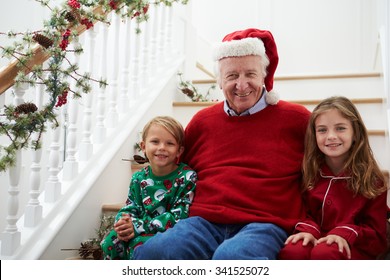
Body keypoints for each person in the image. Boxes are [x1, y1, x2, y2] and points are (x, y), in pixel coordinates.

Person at [132, 28, 311, 260]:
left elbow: (326, 172)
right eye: (232, 76)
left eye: (250, 74)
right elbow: (174, 172)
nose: (242, 84)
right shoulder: (202, 122)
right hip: (203, 221)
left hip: (265, 222)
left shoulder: (296, 119)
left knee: (231, 258)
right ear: (219, 80)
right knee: (155, 252)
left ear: (264, 76)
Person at [278, 96, 388, 260]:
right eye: (322, 130)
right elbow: (300, 213)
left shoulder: (373, 180)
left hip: (354, 246)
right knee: (293, 251)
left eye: (340, 128)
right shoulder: (308, 174)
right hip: (314, 238)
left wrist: (345, 234)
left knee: (325, 253)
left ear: (355, 133)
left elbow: (378, 235)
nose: (331, 136)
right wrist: (308, 230)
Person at [100, 116, 197, 259]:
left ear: (179, 151)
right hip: (138, 227)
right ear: (144, 147)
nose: (162, 148)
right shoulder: (139, 178)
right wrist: (123, 222)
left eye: (170, 143)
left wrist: (139, 226)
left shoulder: (187, 177)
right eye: (155, 142)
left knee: (140, 246)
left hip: (166, 233)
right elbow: (130, 207)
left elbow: (179, 215)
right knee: (111, 240)